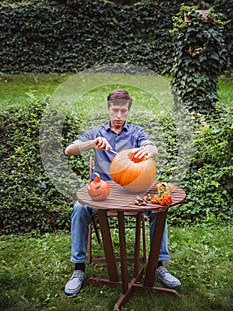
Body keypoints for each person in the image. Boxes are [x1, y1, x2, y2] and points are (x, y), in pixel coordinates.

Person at [64, 89, 181, 296]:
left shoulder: (136, 132)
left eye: (123, 111)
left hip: (132, 191)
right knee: (80, 208)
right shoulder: (97, 132)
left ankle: (159, 264)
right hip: (103, 191)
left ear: (128, 111)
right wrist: (92, 143)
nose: (119, 116)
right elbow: (69, 150)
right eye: (115, 110)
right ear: (108, 109)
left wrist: (148, 151)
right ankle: (78, 269)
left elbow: (152, 147)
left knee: (159, 210)